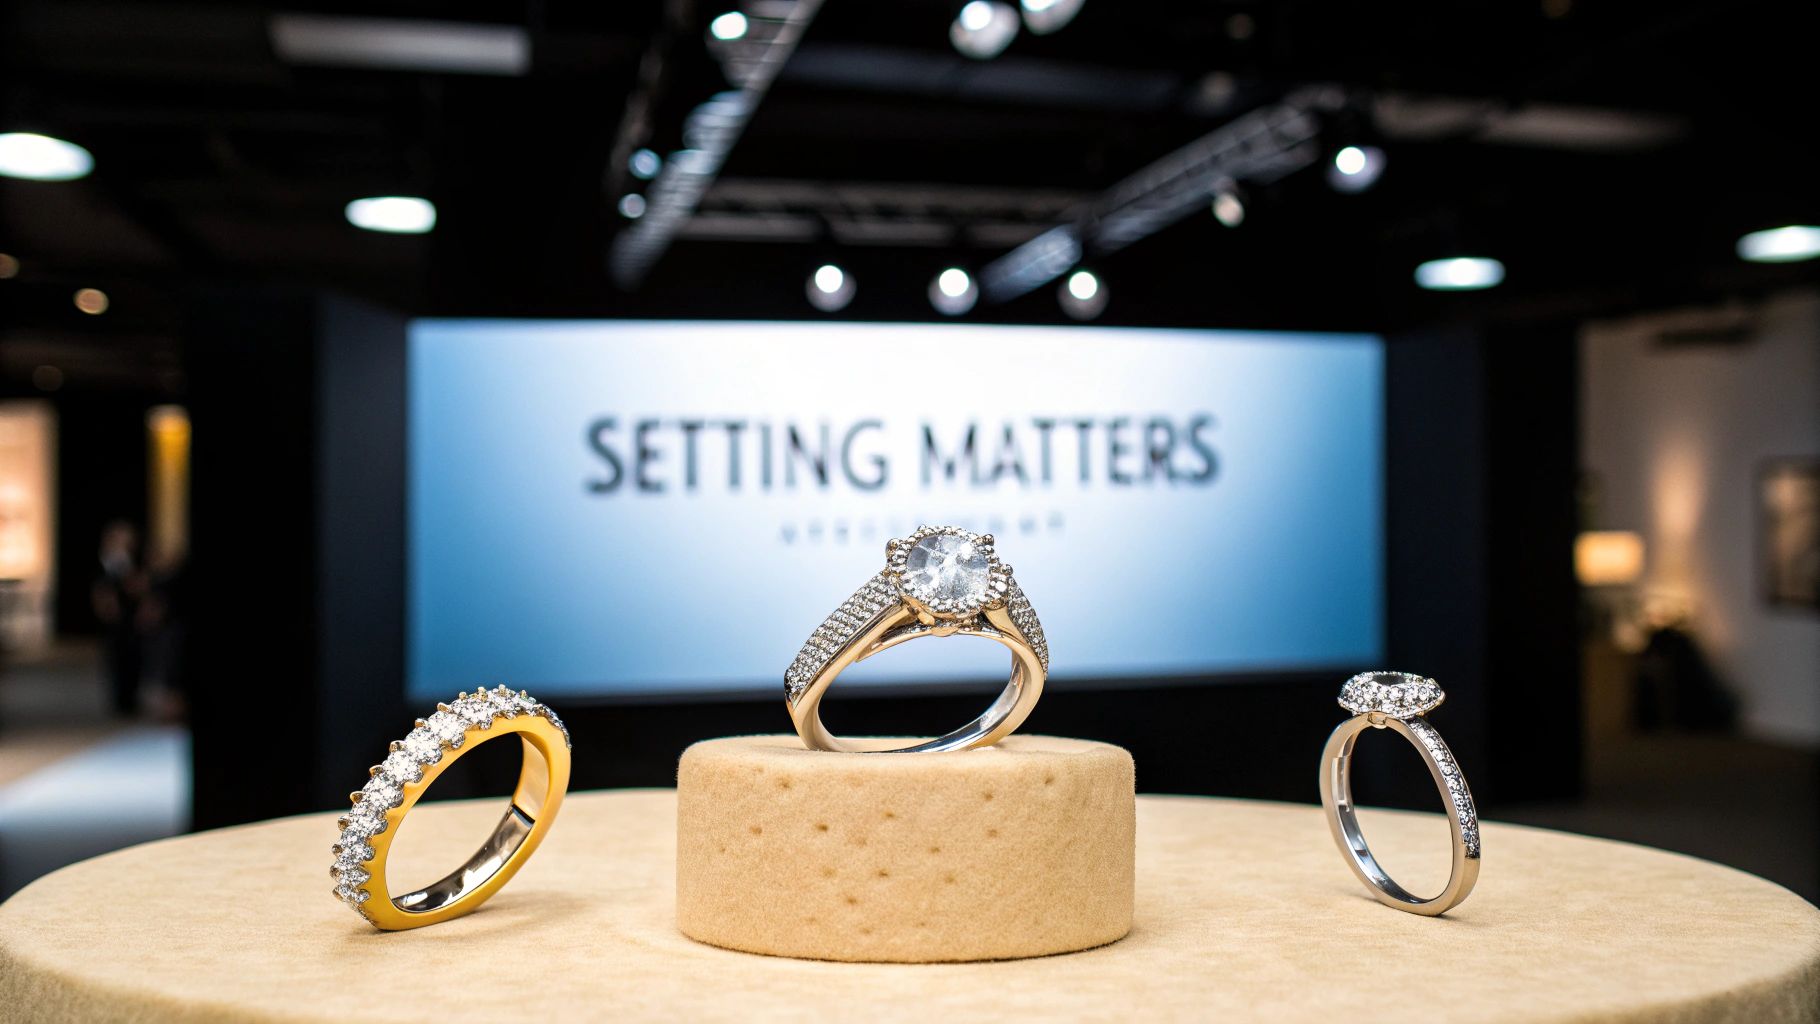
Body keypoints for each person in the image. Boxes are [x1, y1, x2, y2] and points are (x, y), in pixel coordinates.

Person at [92, 520, 148, 717]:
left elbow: (141, 585)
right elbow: (102, 587)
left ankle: (130, 698)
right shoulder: (108, 559)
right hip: (116, 617)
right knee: (116, 658)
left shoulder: (137, 560)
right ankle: (120, 700)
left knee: (134, 657)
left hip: (132, 615)